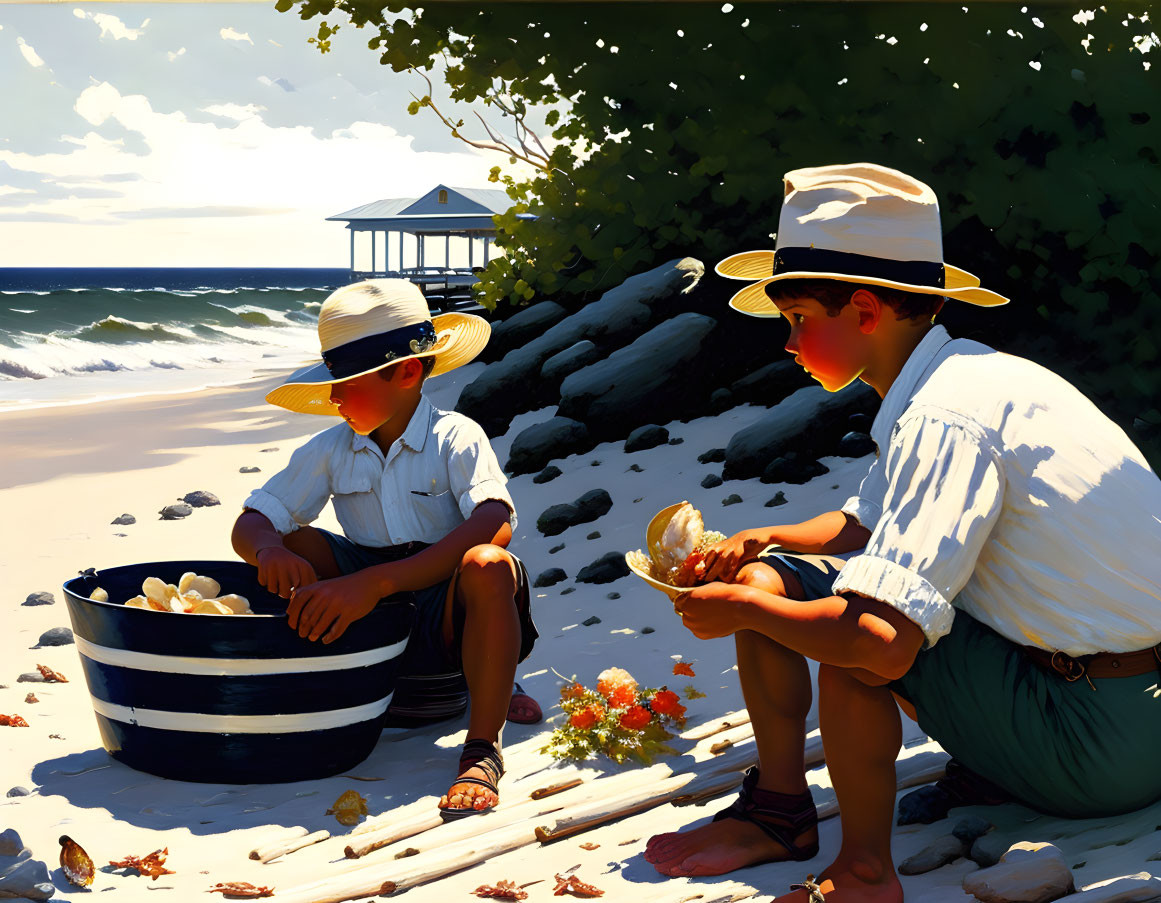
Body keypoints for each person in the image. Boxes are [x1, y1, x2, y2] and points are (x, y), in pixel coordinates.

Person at [643, 163, 1161, 901]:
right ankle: (778, 809)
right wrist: (761, 541)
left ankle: (859, 872)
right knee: (776, 578)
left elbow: (878, 643)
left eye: (797, 320)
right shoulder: (972, 377)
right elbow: (863, 523)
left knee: (846, 632)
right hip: (1136, 704)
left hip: (1096, 739)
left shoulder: (942, 420)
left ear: (861, 311)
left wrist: (741, 610)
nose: (788, 345)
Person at [230, 279, 539, 818]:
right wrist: (268, 551)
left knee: (489, 566)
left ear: (408, 372)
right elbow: (252, 520)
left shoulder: (455, 436)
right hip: (373, 606)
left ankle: (483, 746)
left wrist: (378, 582)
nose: (332, 397)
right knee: (296, 541)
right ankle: (337, 686)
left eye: (346, 383)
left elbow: (494, 521)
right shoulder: (329, 448)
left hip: (444, 598)